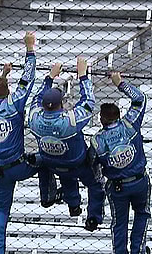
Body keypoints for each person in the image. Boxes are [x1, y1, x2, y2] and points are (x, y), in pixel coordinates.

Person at [0, 32, 49, 254]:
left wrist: (3, 74)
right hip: (19, 165)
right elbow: (27, 79)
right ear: (8, 90)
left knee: (0, 210)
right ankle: (48, 195)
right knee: (47, 159)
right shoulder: (14, 104)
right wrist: (30, 49)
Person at [28, 56, 105, 230]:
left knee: (66, 176)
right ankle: (93, 217)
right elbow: (88, 102)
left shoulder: (34, 119)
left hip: (54, 164)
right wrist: (83, 76)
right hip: (79, 163)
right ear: (60, 103)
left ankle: (73, 204)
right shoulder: (70, 120)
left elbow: (35, 99)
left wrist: (49, 77)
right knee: (95, 185)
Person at [91, 72, 152, 254]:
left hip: (117, 187)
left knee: (119, 223)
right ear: (118, 115)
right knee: (142, 212)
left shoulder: (97, 140)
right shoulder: (130, 124)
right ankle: (138, 250)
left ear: (101, 120)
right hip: (140, 180)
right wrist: (120, 83)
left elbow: (94, 168)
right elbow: (140, 99)